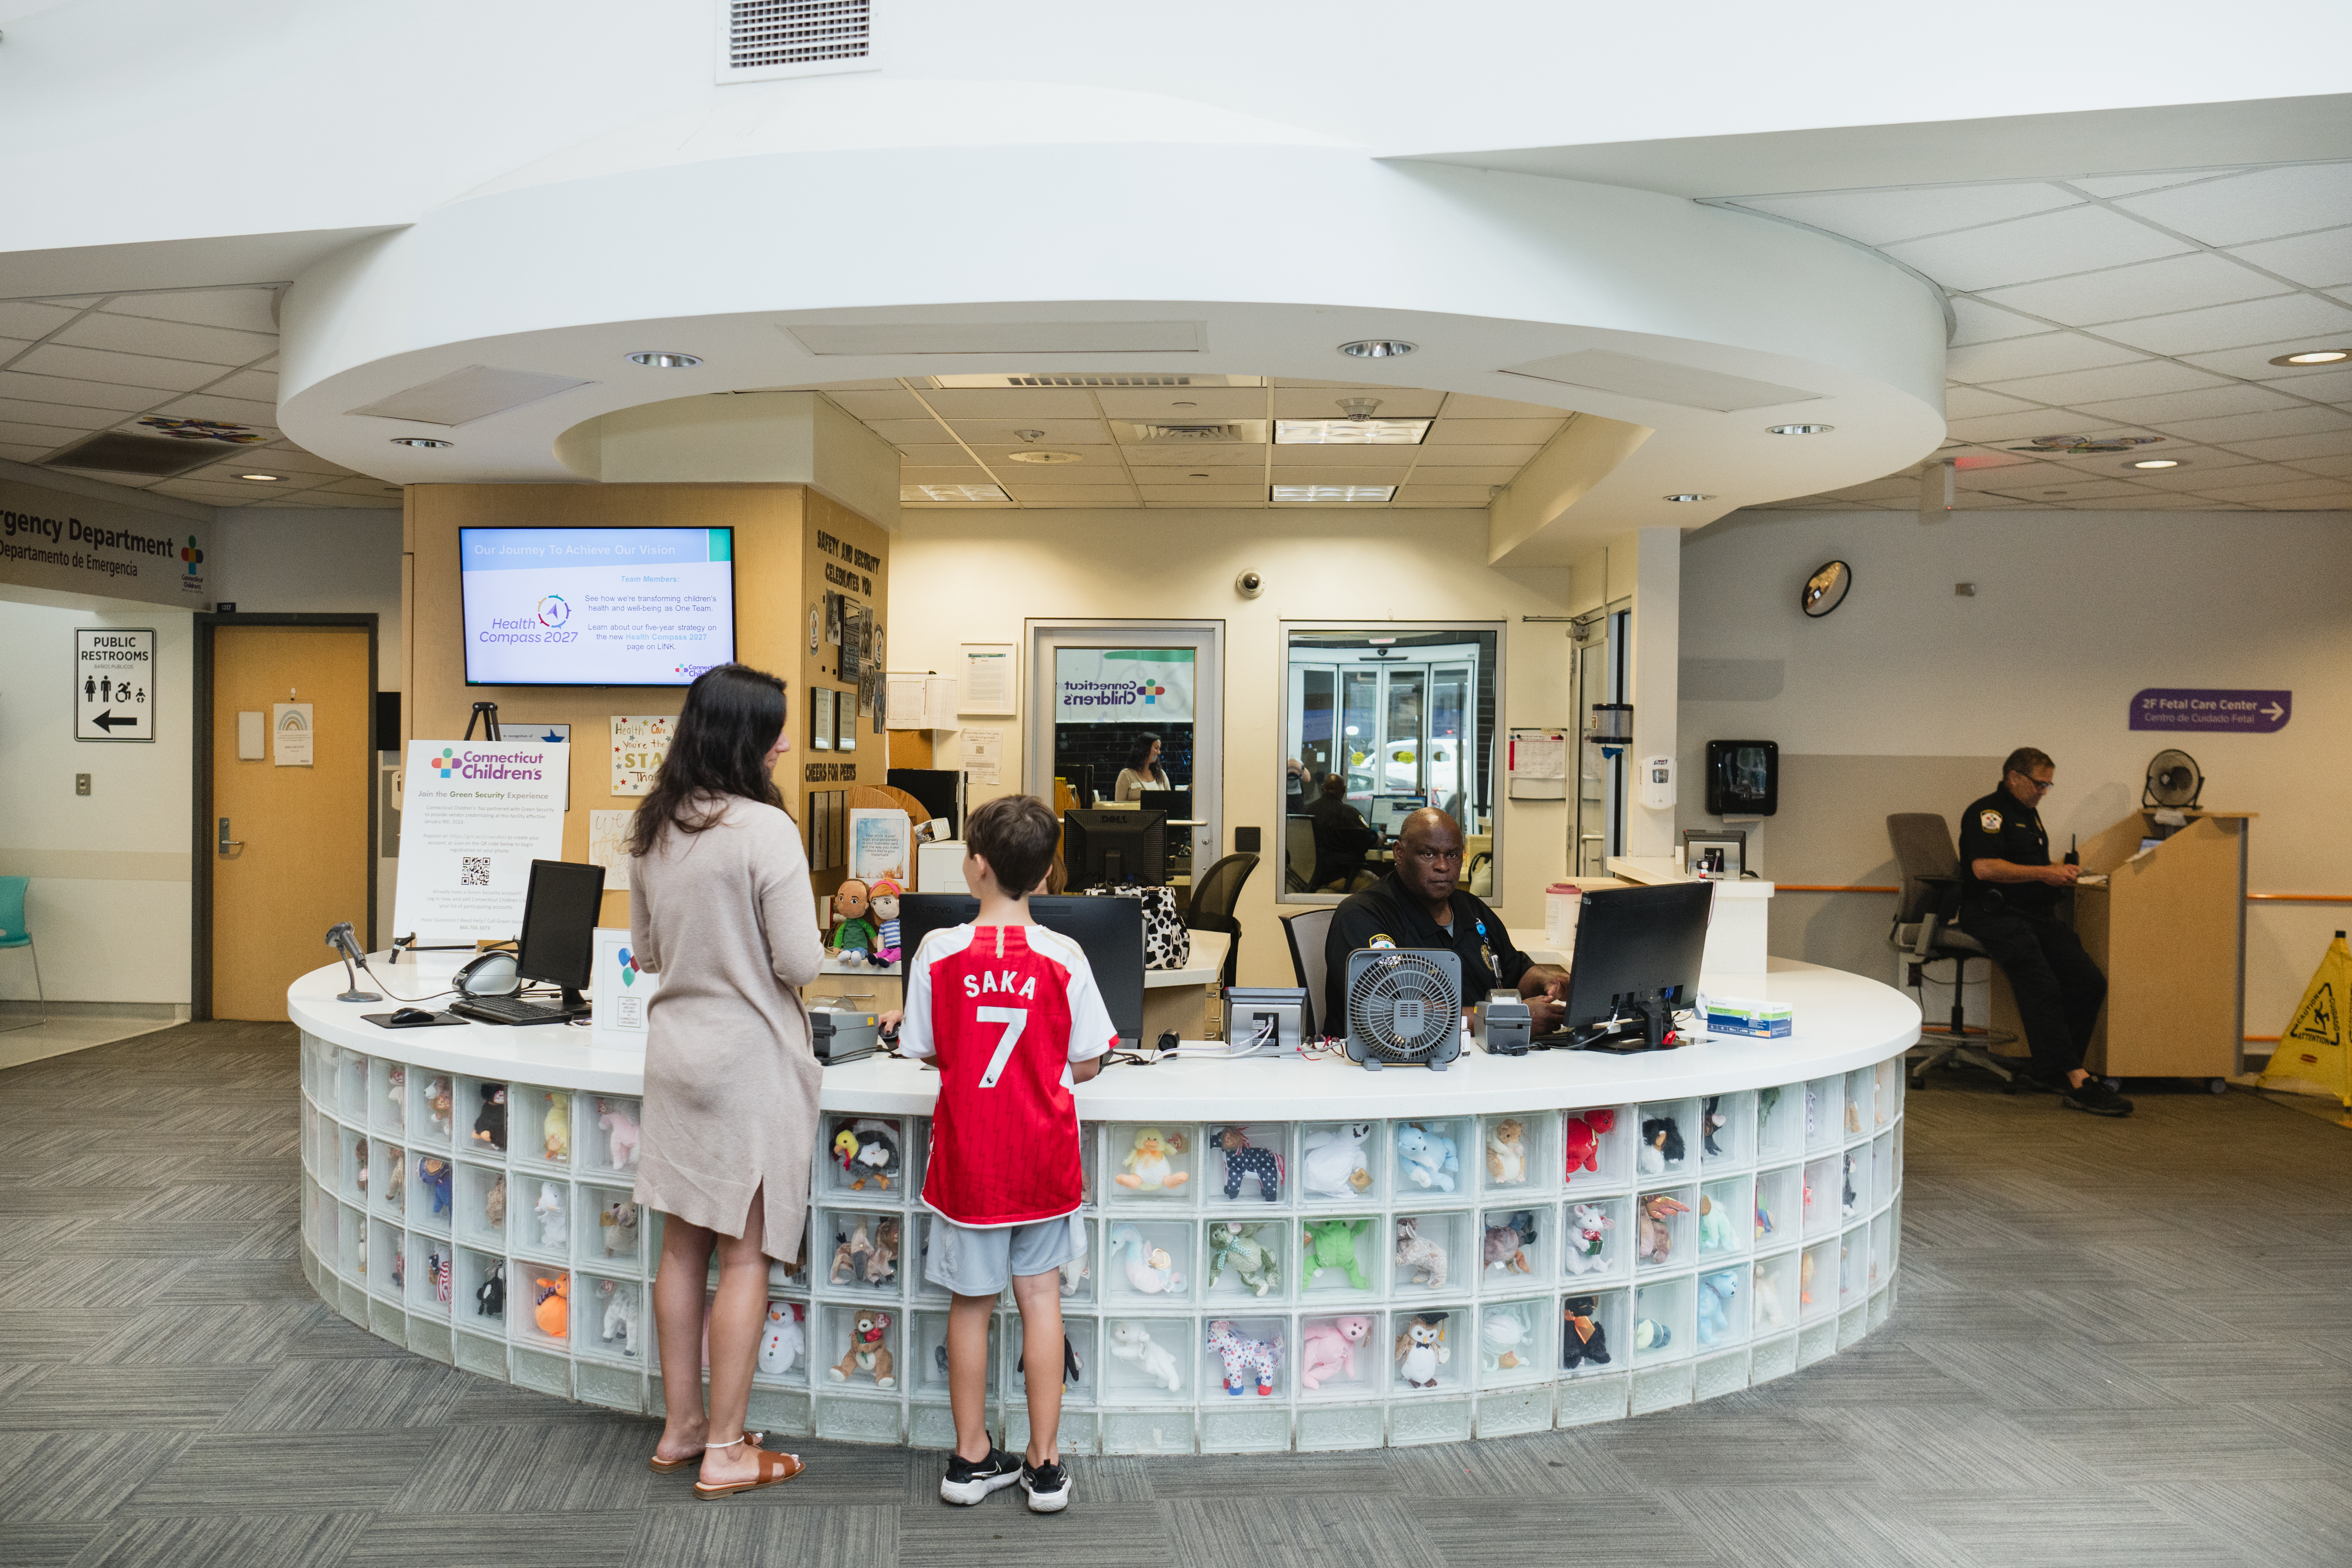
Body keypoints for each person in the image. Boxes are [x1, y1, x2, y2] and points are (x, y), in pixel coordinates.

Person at [626, 664, 820, 1497]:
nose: (784, 742)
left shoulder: (655, 824)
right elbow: (802, 960)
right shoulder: (765, 828)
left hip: (676, 1057)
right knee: (745, 1254)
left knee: (681, 1246)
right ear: (744, 736)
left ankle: (682, 1427)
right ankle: (730, 1447)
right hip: (747, 1063)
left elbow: (647, 951)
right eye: (775, 728)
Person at [900, 793, 1112, 1513]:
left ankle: (968, 1460)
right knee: (1041, 1302)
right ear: (1048, 873)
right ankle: (1044, 1464)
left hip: (970, 1164)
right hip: (1043, 1161)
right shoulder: (1064, 956)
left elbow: (926, 1050)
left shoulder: (938, 952)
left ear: (977, 866)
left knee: (971, 1305)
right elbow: (1087, 1062)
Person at [1957, 747, 2132, 1118]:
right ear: (2014, 777)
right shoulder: (1987, 813)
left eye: (2048, 784)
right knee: (2042, 986)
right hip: (1993, 912)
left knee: (2088, 981)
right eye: (2040, 783)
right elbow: (1985, 868)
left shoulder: (2030, 816)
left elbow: (2030, 867)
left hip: (2032, 912)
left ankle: (2050, 1070)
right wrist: (2044, 873)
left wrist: (2060, 874)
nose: (2044, 791)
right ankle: (2077, 1079)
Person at [1324, 807, 1566, 1035]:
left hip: (1475, 1058)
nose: (1443, 866)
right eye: (1428, 854)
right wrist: (1508, 1019)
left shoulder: (1471, 908)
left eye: (1452, 855)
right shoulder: (1364, 914)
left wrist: (1547, 982)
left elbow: (1514, 971)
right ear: (1399, 853)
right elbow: (1395, 1014)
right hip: (1389, 1065)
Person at [1307, 772, 1379, 893]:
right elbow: (1369, 841)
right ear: (1344, 789)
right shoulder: (1348, 812)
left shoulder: (1306, 811)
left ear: (1323, 788)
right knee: (1383, 890)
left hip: (1308, 878)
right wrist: (1381, 837)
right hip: (1341, 877)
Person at [1113, 733, 1171, 801]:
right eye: (1156, 748)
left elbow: (1169, 801)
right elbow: (1119, 806)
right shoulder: (1126, 775)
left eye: (1159, 749)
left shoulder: (1161, 774)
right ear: (1146, 749)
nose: (1159, 752)